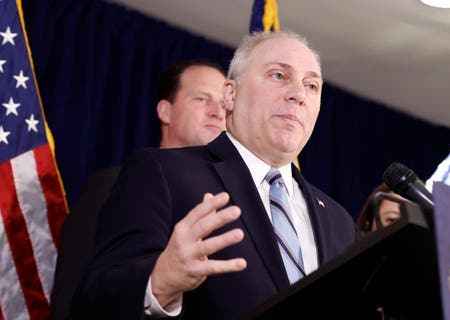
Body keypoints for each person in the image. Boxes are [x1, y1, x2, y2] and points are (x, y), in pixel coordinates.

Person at [71, 31, 357, 320]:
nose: (298, 95)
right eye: (279, 76)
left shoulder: (340, 221)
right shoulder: (163, 173)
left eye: (311, 85)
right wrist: (159, 283)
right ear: (231, 95)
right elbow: (93, 302)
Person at [50, 60, 227, 320]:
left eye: (224, 105)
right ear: (165, 111)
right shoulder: (111, 184)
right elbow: (71, 298)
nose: (217, 112)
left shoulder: (226, 206)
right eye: (202, 99)